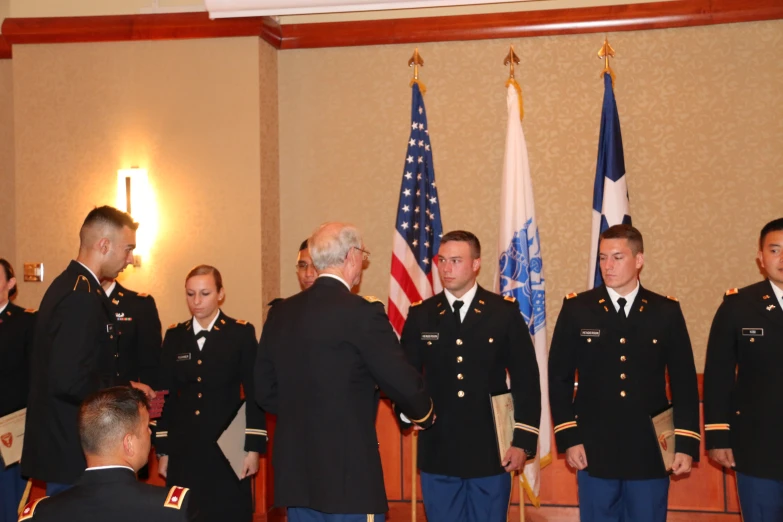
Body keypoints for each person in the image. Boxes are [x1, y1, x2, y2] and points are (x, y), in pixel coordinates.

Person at [255, 222, 434, 522]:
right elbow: (398, 377)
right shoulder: (362, 312)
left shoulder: (281, 313)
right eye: (362, 255)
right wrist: (424, 413)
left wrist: (302, 413)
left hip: (296, 474)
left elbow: (263, 388)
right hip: (348, 473)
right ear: (351, 256)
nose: (362, 264)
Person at [548, 224, 700, 522]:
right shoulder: (577, 309)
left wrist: (686, 444)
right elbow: (559, 378)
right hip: (594, 445)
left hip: (651, 448)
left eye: (617, 257)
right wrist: (569, 438)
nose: (607, 266)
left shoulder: (665, 311)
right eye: (603, 257)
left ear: (639, 260)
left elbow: (683, 383)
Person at [397, 230, 541, 522]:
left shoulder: (503, 313)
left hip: (491, 451)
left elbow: (527, 380)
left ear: (476, 264)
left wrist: (522, 441)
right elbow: (405, 376)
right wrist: (409, 413)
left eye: (456, 260)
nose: (446, 268)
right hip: (439, 449)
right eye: (442, 260)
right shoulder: (422, 315)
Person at [22, 206, 155, 495]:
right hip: (72, 452)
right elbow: (70, 379)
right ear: (104, 245)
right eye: (127, 248)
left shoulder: (75, 286)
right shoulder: (80, 298)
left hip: (72, 448)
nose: (130, 259)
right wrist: (126, 387)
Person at [155, 265, 265, 522]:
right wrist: (162, 449)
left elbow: (254, 392)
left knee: (228, 512)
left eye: (204, 293)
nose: (196, 301)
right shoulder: (174, 336)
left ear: (220, 294)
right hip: (184, 444)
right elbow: (163, 395)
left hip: (228, 444)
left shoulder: (240, 333)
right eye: (190, 294)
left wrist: (253, 448)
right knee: (184, 512)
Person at [703, 217, 783, 521]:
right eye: (775, 250)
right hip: (756, 446)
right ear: (761, 258)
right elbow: (718, 376)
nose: (782, 258)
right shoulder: (739, 305)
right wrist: (718, 436)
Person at [18, 386, 195, 521]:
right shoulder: (171, 510)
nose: (150, 433)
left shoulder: (38, 514)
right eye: (146, 427)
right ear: (129, 443)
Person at [101, 277, 163, 480]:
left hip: (126, 415)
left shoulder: (138, 304)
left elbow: (153, 371)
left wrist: (151, 423)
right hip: (87, 417)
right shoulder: (79, 301)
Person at [0, 259, 35, 522]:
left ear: (10, 284)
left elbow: (36, 376)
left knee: (8, 501)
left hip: (9, 428)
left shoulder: (25, 321)